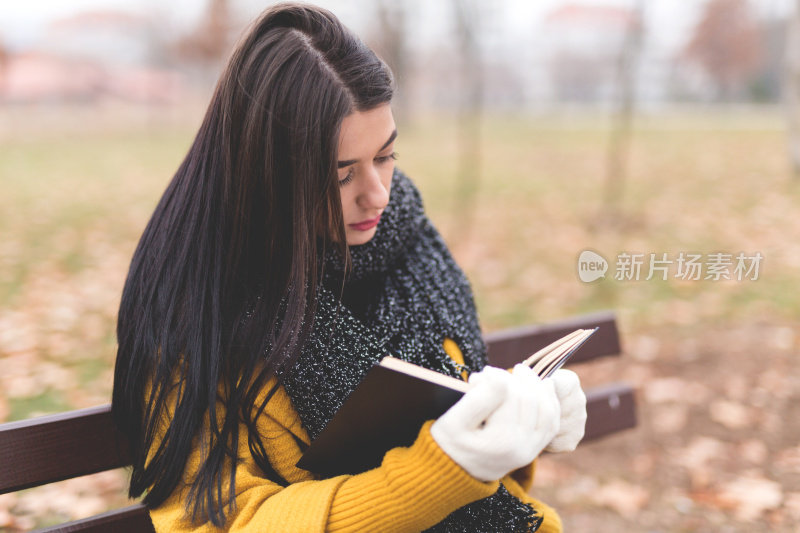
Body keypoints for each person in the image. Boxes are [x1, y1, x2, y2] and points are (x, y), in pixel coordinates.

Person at [111, 3, 587, 532]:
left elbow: (491, 496)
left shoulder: (410, 250)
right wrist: (439, 470)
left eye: (386, 156)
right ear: (269, 176)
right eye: (340, 176)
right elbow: (218, 522)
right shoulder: (197, 307)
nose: (377, 195)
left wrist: (521, 433)